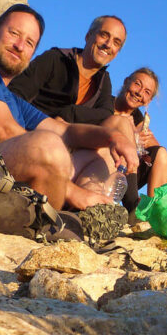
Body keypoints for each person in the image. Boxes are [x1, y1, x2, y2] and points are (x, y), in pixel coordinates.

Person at [0, 4, 137, 211]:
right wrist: (73, 191)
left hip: (3, 174)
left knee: (101, 154)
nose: (20, 45)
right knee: (48, 144)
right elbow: (5, 130)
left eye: (30, 42)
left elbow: (66, 131)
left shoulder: (15, 103)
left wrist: (112, 138)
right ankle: (70, 204)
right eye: (14, 33)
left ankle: (94, 214)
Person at [8, 15, 140, 199]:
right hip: (38, 146)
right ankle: (126, 202)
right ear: (88, 36)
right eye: (104, 35)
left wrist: (67, 114)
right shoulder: (55, 59)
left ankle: (97, 209)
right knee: (113, 134)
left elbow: (105, 113)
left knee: (116, 129)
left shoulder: (103, 80)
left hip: (71, 154)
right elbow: (14, 95)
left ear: (117, 51)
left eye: (116, 42)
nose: (108, 44)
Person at [113, 67, 167, 197]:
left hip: (124, 173)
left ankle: (154, 209)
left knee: (161, 153)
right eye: (137, 84)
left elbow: (156, 154)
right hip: (99, 163)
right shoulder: (105, 103)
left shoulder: (139, 121)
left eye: (147, 92)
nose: (139, 93)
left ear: (148, 101)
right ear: (126, 82)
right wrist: (132, 140)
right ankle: (132, 203)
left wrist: (141, 151)